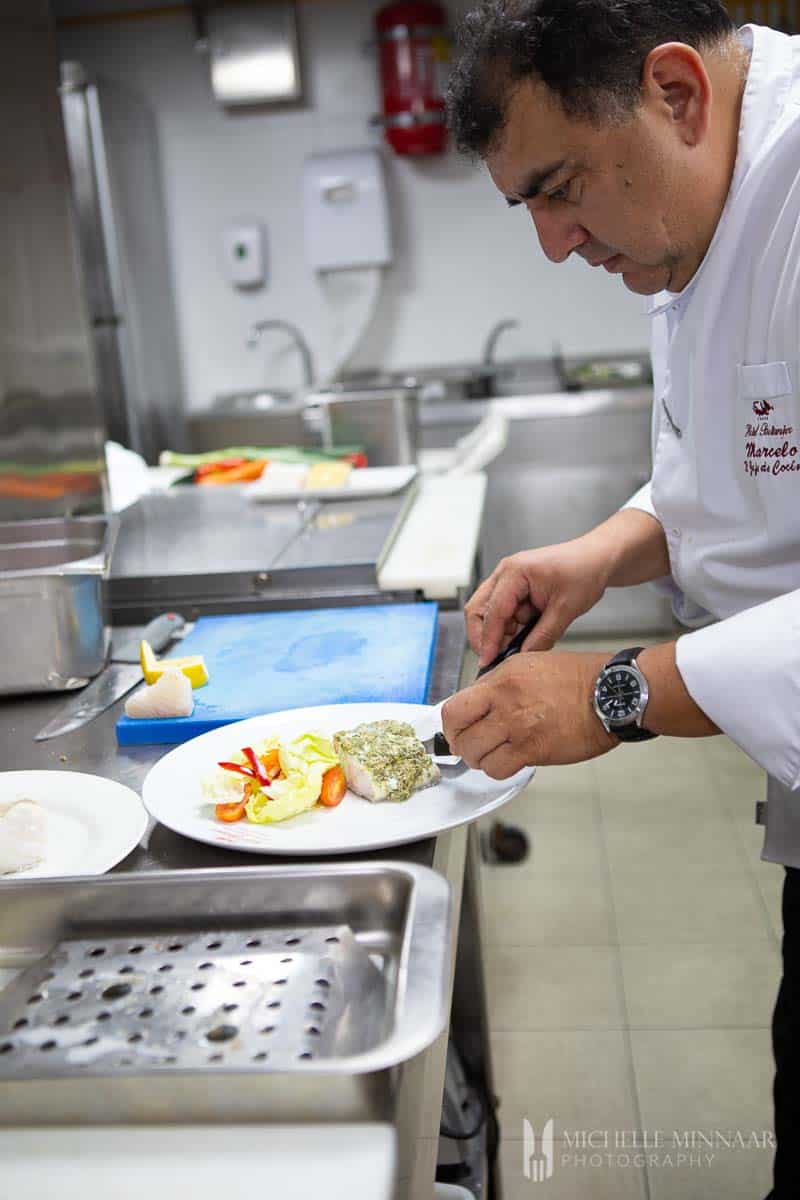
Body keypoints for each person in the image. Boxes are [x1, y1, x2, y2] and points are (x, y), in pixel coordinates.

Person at [442, 2, 800, 1195]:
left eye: (557, 189)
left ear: (675, 91)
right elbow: (738, 468)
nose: (552, 245)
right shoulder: (683, 206)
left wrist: (611, 693)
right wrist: (599, 553)